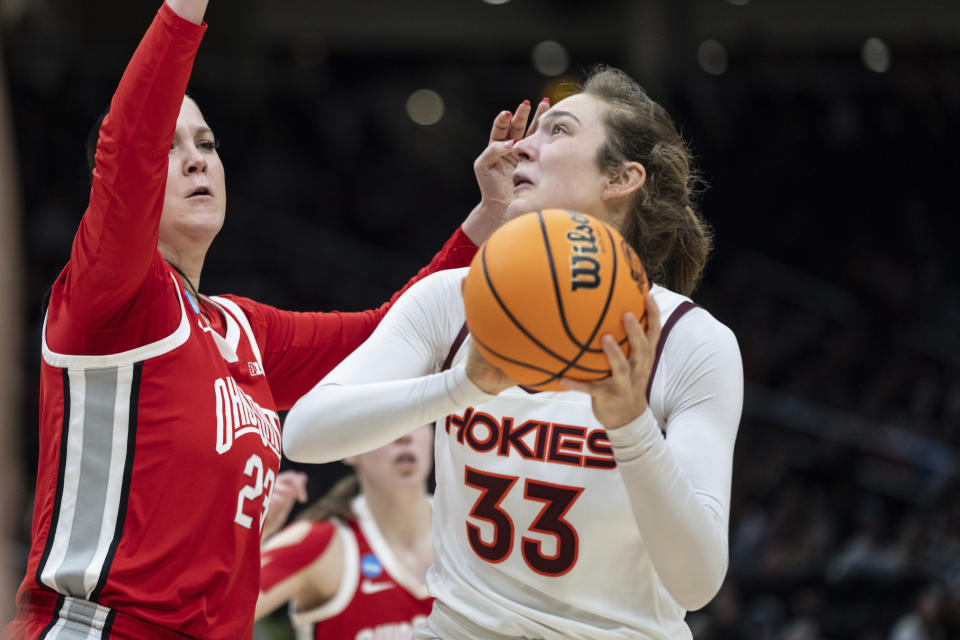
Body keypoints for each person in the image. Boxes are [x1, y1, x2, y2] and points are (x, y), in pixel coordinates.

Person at [2, 1, 540, 638]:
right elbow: (130, 137)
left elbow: (393, 333)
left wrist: (488, 215)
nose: (196, 159)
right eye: (170, 149)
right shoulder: (108, 300)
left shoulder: (243, 330)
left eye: (206, 143)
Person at [282, 66, 744, 639]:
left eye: (557, 131)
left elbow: (697, 584)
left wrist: (629, 427)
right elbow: (302, 433)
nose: (520, 145)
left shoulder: (689, 341)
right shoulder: (451, 302)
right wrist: (461, 386)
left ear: (621, 178)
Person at [256, 425, 435, 640]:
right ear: (351, 448)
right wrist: (256, 536)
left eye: (417, 420)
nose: (405, 436)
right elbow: (214, 612)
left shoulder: (468, 532)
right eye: (388, 420)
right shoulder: (320, 542)